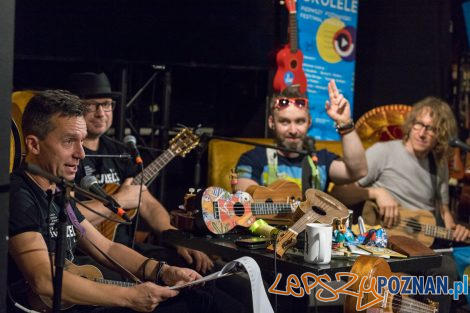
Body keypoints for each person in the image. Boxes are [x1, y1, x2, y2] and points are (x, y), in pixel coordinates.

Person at [8, 89, 212, 313]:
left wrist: (162, 271)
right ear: (34, 145)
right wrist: (129, 297)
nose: (81, 153)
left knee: (200, 296)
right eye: (69, 141)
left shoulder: (58, 192)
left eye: (82, 141)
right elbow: (43, 279)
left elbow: (106, 247)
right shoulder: (18, 194)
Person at [331, 97, 470, 313]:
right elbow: (339, 193)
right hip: (385, 247)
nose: (423, 133)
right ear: (411, 123)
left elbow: (443, 211)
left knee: (447, 268)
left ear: (441, 135)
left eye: (431, 129)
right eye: (419, 125)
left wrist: (456, 229)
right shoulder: (383, 152)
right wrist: (377, 192)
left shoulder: (438, 165)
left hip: (421, 246)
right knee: (394, 287)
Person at [67, 72, 213, 274]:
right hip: (88, 253)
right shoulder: (70, 156)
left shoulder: (123, 153)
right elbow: (69, 216)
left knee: (192, 265)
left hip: (127, 248)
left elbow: (148, 204)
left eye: (107, 104)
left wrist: (176, 238)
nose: (101, 113)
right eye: (91, 105)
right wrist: (118, 200)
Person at [235, 80, 368, 194]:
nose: (293, 130)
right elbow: (245, 199)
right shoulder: (253, 159)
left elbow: (359, 172)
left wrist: (344, 122)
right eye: (284, 121)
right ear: (271, 122)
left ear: (309, 122)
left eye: (299, 121)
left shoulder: (321, 160)